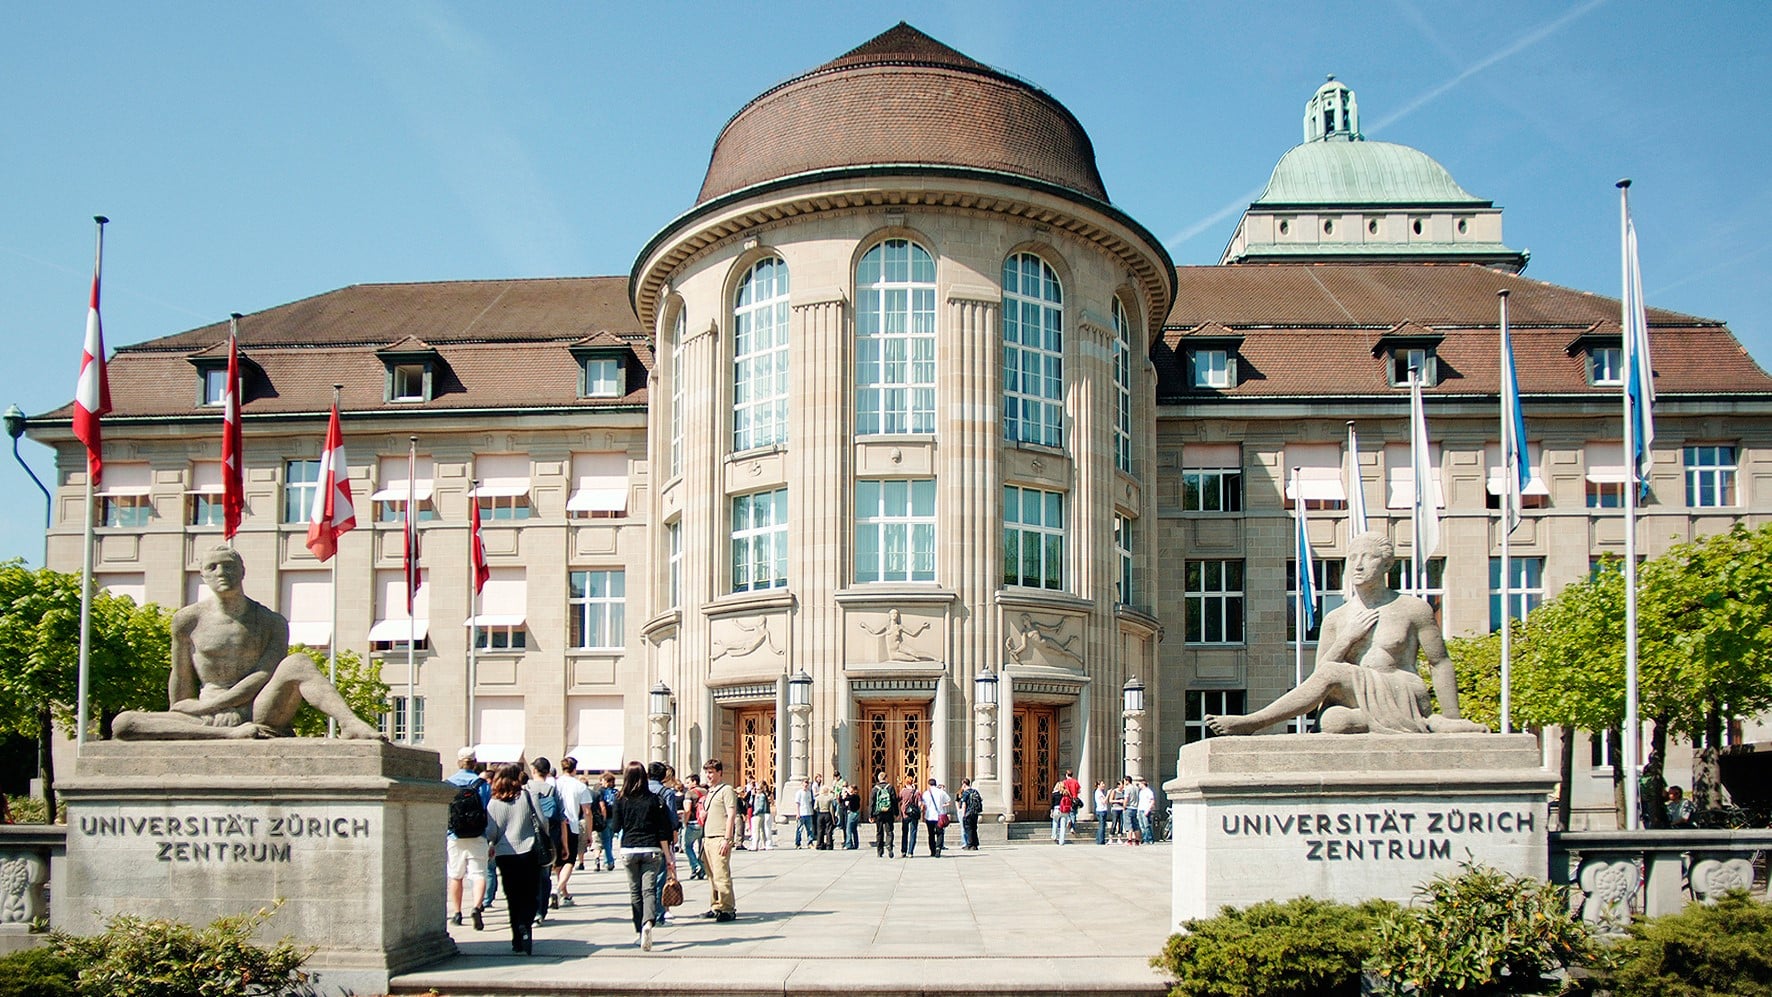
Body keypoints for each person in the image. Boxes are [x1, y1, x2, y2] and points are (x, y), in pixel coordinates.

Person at [1206, 532, 1487, 736]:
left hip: (1401, 690)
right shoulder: (1336, 618)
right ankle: (1381, 725)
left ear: (1387, 565)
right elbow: (1319, 678)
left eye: (1368, 557)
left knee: (1332, 674)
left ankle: (1253, 722)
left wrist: (1452, 717)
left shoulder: (1412, 609)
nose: (1358, 565)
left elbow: (1440, 663)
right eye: (1352, 558)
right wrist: (1347, 638)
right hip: (1356, 697)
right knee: (1334, 723)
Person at [112, 546, 383, 741]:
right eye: (212, 567)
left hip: (257, 707)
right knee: (124, 723)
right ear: (202, 574)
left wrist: (212, 707)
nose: (222, 572)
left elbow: (263, 675)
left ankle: (350, 723)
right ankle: (226, 735)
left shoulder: (271, 621)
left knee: (298, 662)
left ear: (243, 571)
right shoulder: (187, 620)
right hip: (205, 714)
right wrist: (188, 709)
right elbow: (181, 678)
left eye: (229, 566)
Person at [611, 760, 677, 952]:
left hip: (629, 849)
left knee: (635, 892)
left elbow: (615, 826)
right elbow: (663, 831)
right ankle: (649, 922)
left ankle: (639, 929)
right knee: (649, 890)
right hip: (652, 849)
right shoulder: (655, 800)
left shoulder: (620, 799)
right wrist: (669, 858)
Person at [485, 763, 546, 955]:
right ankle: (526, 926)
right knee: (530, 894)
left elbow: (491, 832)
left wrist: (494, 842)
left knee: (512, 896)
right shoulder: (528, 796)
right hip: (528, 850)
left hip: (505, 854)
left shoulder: (494, 803)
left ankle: (517, 937)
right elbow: (542, 822)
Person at [445, 747, 492, 931]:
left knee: (456, 876)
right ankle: (476, 906)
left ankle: (457, 913)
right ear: (475, 762)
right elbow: (486, 806)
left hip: (454, 834)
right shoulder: (482, 784)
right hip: (477, 833)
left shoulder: (448, 783)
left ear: (459, 761)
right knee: (479, 874)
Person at [699, 758, 739, 922]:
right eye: (707, 772)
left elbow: (731, 815)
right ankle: (716, 905)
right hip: (707, 838)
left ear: (719, 773)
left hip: (719, 837)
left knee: (721, 874)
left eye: (711, 772)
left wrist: (727, 838)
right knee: (711, 875)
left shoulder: (726, 790)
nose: (708, 775)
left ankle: (727, 908)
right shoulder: (710, 792)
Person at [553, 756, 592, 907]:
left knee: (559, 860)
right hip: (572, 825)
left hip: (557, 824)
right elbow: (587, 811)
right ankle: (559, 889)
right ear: (575, 768)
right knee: (570, 860)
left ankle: (564, 891)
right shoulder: (580, 786)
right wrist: (589, 833)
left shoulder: (555, 784)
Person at [680, 773, 707, 880]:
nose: (686, 785)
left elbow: (687, 810)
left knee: (686, 846)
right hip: (704, 823)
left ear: (694, 782)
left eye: (688, 782)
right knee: (701, 849)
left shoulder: (689, 793)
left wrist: (684, 822)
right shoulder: (706, 792)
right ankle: (702, 869)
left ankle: (696, 866)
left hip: (692, 823)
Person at [920, 778, 953, 857]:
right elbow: (949, 801)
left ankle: (932, 850)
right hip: (939, 816)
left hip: (929, 816)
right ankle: (938, 848)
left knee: (931, 834)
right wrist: (942, 805)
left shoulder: (926, 793)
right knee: (940, 833)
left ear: (929, 784)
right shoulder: (941, 792)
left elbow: (923, 804)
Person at [595, 771, 618, 871]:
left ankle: (609, 861)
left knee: (605, 841)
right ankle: (607, 859)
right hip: (614, 818)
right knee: (610, 840)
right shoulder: (616, 792)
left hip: (606, 818)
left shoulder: (601, 791)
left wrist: (602, 819)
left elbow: (602, 807)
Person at [869, 772, 897, 857]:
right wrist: (896, 812)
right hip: (888, 812)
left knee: (879, 832)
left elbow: (871, 803)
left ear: (878, 779)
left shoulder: (875, 789)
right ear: (886, 778)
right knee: (889, 831)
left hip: (878, 813)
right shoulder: (890, 788)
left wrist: (870, 815)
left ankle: (879, 851)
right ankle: (889, 845)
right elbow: (894, 801)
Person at [898, 776, 921, 857]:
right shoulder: (916, 792)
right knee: (913, 832)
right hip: (914, 814)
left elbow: (898, 799)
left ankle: (903, 851)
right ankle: (910, 852)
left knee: (905, 832)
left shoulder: (903, 791)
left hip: (905, 814)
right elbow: (919, 803)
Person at [958, 777, 984, 850]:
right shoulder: (975, 791)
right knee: (974, 828)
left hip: (968, 813)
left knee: (968, 829)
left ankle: (969, 844)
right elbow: (980, 799)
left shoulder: (966, 793)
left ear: (964, 784)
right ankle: (975, 845)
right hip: (975, 813)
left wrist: (963, 815)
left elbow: (964, 804)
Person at [749, 781, 775, 850]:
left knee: (756, 830)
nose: (756, 790)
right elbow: (750, 802)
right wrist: (752, 795)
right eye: (756, 789)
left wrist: (755, 813)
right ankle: (763, 844)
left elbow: (760, 806)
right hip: (759, 814)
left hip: (759, 814)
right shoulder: (756, 795)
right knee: (761, 830)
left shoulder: (762, 796)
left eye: (758, 789)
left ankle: (755, 845)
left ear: (761, 789)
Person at [1050, 779, 1073, 845]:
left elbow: (1052, 804)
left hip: (1056, 809)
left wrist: (1051, 811)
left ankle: (1054, 836)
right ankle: (1061, 841)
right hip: (1064, 810)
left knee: (1055, 822)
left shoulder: (1054, 794)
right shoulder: (1065, 793)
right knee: (1063, 826)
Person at [794, 778, 816, 848]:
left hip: (808, 812)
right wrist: (798, 813)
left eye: (807, 783)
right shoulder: (799, 793)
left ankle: (810, 842)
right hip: (801, 813)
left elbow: (810, 802)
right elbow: (797, 803)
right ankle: (798, 843)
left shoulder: (809, 792)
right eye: (805, 783)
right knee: (800, 829)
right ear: (802, 784)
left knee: (810, 829)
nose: (806, 785)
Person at [841, 781, 862, 849]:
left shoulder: (853, 796)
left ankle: (848, 844)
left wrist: (844, 795)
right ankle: (856, 844)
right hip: (856, 813)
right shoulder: (857, 796)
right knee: (854, 830)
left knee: (848, 829)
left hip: (852, 813)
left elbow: (845, 799)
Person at [1135, 777, 1157, 843]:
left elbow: (1152, 801)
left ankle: (1149, 839)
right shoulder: (1141, 792)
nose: (1139, 786)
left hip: (1145, 809)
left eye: (1139, 784)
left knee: (1146, 825)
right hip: (1140, 809)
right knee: (1142, 826)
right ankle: (1145, 838)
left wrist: (1148, 809)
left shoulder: (1149, 791)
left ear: (1143, 784)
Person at [1093, 780, 1111, 846]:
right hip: (1101, 810)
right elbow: (1104, 801)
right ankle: (1101, 840)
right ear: (1098, 785)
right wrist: (1108, 794)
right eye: (1102, 784)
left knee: (1102, 825)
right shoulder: (1098, 793)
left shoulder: (1100, 792)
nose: (1104, 785)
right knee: (1102, 826)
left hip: (1102, 810)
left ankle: (1100, 840)